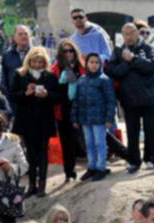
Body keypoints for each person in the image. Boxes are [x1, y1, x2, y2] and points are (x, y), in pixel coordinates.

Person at [106, 23, 154, 174]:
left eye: (131, 33)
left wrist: (133, 60)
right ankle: (134, 162)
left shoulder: (149, 49)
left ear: (138, 33)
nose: (128, 37)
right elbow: (112, 71)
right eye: (125, 34)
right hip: (129, 100)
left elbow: (153, 67)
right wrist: (126, 64)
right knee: (132, 133)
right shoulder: (118, 52)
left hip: (150, 99)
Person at [9, 46, 57, 198]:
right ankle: (32, 185)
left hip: (44, 120)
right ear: (28, 60)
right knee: (30, 152)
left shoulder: (50, 76)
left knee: (43, 152)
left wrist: (47, 94)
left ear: (45, 62)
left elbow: (58, 96)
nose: (37, 64)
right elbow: (12, 95)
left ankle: (42, 185)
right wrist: (26, 93)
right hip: (26, 120)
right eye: (34, 61)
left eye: (40, 61)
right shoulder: (20, 74)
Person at [71, 52, 114, 182]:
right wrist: (74, 118)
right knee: (89, 143)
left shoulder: (104, 80)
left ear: (100, 64)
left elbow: (111, 100)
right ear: (86, 63)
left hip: (99, 119)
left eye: (96, 62)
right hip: (85, 119)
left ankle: (101, 168)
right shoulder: (82, 80)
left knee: (100, 143)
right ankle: (92, 167)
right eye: (91, 62)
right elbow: (76, 100)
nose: (94, 65)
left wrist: (109, 118)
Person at [50, 39, 82, 183]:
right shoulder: (56, 69)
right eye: (65, 51)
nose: (68, 53)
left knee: (94, 137)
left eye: (71, 50)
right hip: (63, 110)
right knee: (67, 142)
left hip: (82, 108)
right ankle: (70, 172)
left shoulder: (81, 66)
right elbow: (54, 90)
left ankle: (97, 166)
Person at [0, 24, 30, 101]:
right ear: (14, 37)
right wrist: (8, 97)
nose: (24, 36)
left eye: (26, 34)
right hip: (14, 101)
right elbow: (4, 80)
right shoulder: (7, 55)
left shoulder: (36, 54)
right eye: (20, 34)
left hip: (33, 102)